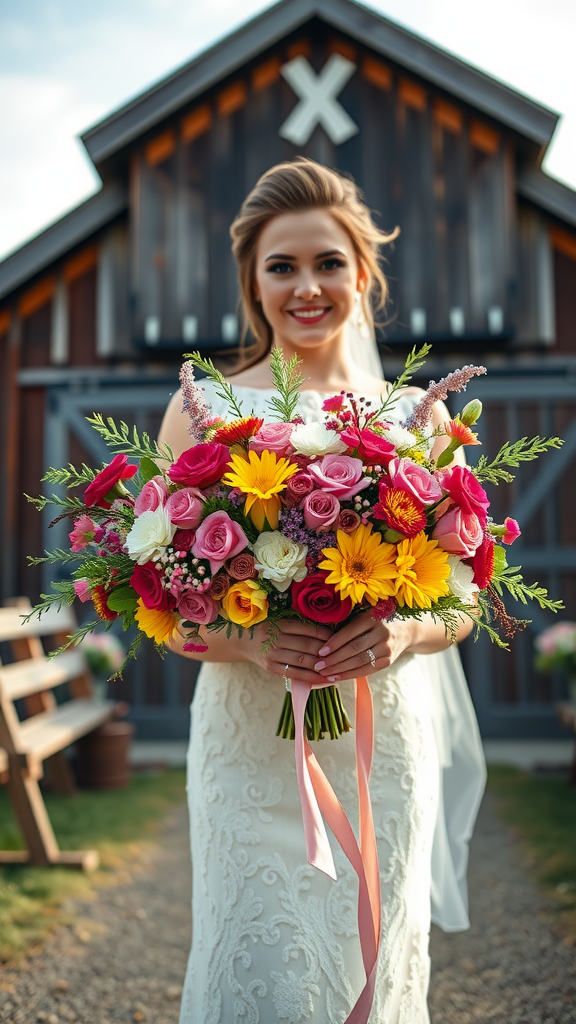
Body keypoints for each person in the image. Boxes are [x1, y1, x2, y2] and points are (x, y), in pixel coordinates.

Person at [158, 158, 486, 1024]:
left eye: (328, 263)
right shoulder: (202, 414)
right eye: (282, 266)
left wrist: (405, 637)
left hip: (381, 737)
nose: (307, 287)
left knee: (370, 961)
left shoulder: (419, 418)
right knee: (257, 954)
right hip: (247, 744)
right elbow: (159, 599)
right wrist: (250, 639)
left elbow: (462, 599)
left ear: (363, 275)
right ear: (253, 283)